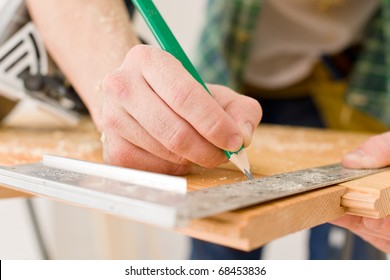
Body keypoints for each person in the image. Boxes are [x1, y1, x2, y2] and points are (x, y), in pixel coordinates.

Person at [24, 0, 390, 258]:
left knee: (354, 244)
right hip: (234, 78)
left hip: (354, 87)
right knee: (218, 242)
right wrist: (114, 82)